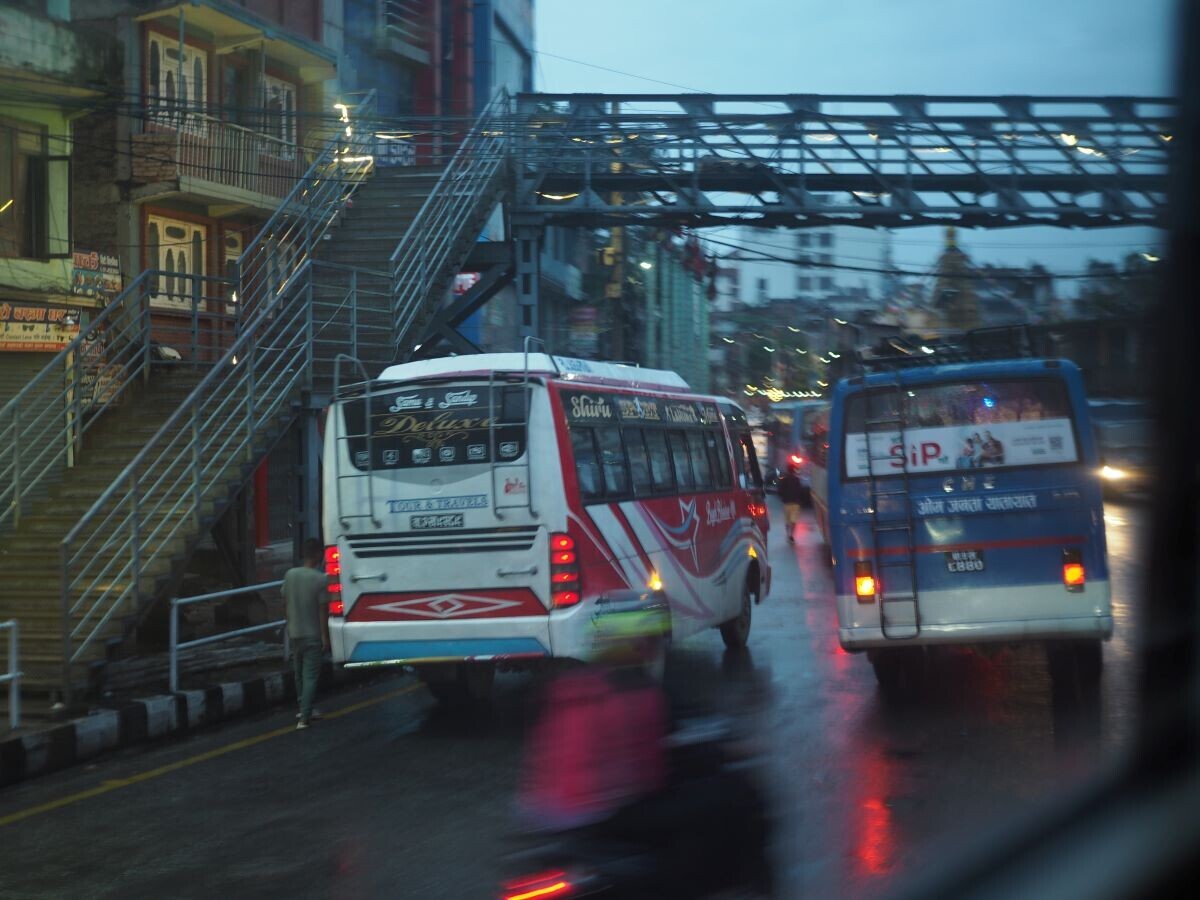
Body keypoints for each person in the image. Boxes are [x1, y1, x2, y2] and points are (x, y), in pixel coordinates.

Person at [283, 538, 330, 730]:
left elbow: (284, 601)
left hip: (294, 631)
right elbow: (322, 611)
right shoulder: (320, 579)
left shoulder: (290, 575)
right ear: (318, 554)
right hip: (312, 633)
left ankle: (303, 707)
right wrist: (325, 637)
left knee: (299, 674)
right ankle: (305, 717)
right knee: (310, 675)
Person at [777, 463, 806, 543]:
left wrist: (783, 497)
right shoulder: (797, 479)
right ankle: (791, 535)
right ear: (794, 470)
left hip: (786, 503)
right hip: (796, 503)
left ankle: (787, 534)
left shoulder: (784, 480)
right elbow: (801, 491)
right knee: (793, 520)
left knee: (787, 520)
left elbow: (779, 491)